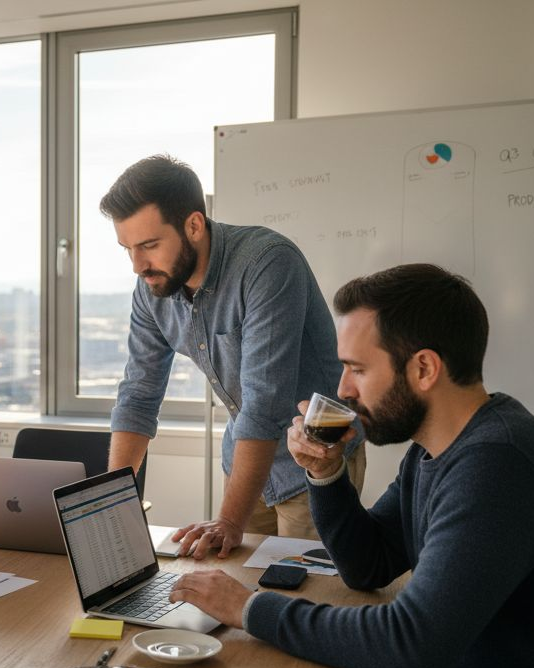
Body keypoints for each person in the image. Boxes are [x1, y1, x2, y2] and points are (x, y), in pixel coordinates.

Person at [168, 264, 534, 668]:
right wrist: (325, 473)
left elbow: (411, 644)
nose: (345, 389)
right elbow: (369, 565)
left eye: (358, 369)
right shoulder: (437, 450)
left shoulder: (498, 464)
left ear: (424, 368)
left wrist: (249, 610)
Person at [102, 154, 363, 558]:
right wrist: (111, 506)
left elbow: (264, 403)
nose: (138, 265)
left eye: (150, 245)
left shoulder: (267, 264)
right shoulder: (152, 288)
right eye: (127, 249)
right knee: (232, 588)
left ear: (193, 225)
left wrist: (228, 520)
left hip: (314, 459)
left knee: (302, 598)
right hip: (246, 457)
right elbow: (138, 396)